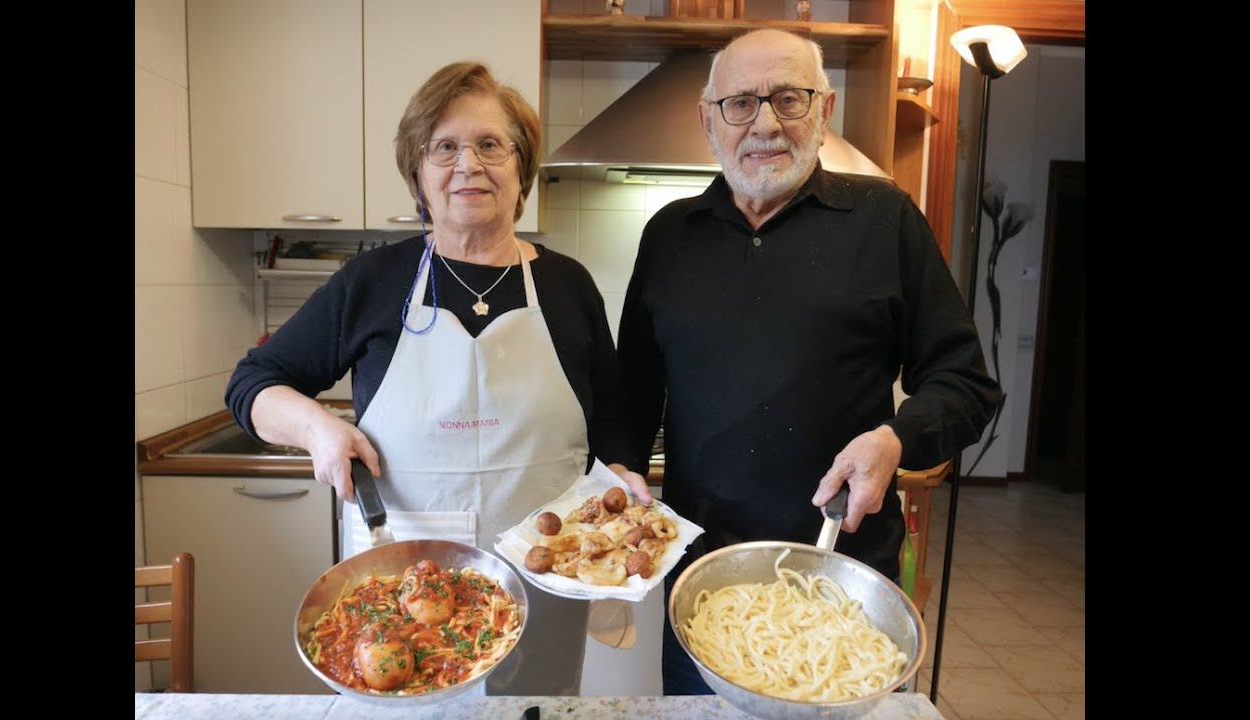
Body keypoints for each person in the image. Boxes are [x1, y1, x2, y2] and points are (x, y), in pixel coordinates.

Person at [225, 61, 652, 697]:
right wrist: (317, 428)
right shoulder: (371, 283)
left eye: (490, 145)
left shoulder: (568, 286)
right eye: (444, 147)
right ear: (418, 172)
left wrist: (621, 470)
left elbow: (614, 417)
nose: (468, 164)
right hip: (402, 593)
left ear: (521, 167)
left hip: (542, 576)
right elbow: (253, 383)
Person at [615, 29, 1002, 695]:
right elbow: (633, 391)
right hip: (701, 593)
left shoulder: (886, 220)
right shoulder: (670, 236)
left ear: (823, 112)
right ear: (709, 121)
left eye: (788, 100)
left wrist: (896, 438)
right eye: (740, 103)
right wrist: (619, 463)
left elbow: (966, 384)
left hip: (842, 585)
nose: (765, 124)